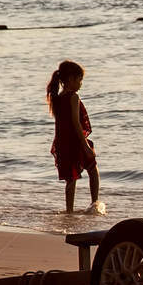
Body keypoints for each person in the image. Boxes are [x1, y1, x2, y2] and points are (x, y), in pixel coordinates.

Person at [48, 60, 103, 214]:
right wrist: (85, 145)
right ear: (70, 79)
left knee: (70, 179)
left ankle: (69, 211)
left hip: (63, 142)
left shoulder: (57, 97)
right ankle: (94, 204)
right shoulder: (73, 97)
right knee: (92, 169)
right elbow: (75, 123)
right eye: (79, 80)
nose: (81, 84)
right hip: (76, 141)